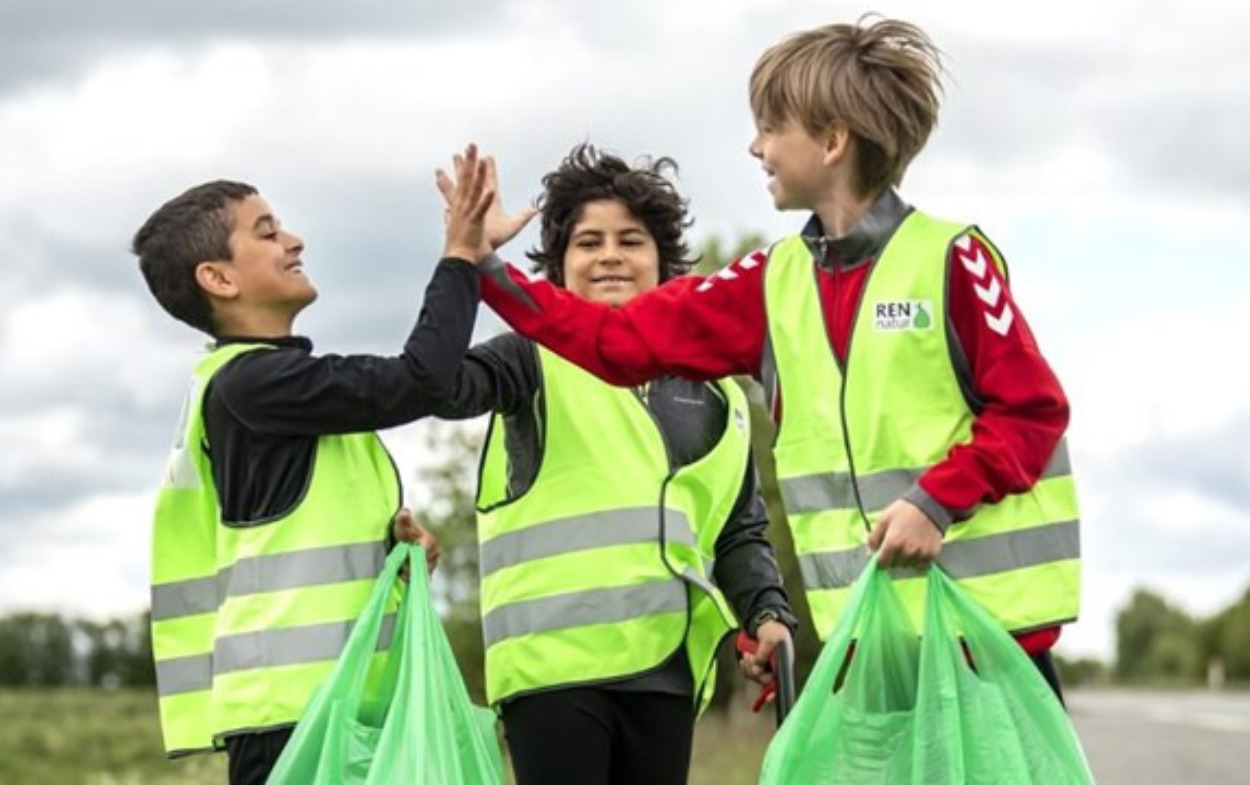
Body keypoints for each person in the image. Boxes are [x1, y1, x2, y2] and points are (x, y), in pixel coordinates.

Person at [473, 18, 1081, 701]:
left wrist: (936, 502)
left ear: (830, 140)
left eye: (770, 125)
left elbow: (1035, 411)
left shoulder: (952, 260)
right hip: (869, 652)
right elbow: (621, 342)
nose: (755, 145)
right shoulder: (771, 280)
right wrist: (489, 269)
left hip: (989, 648)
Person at [431, 143, 797, 785]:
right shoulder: (526, 360)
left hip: (666, 676)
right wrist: (467, 261)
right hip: (552, 672)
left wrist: (766, 613)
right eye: (588, 242)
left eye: (630, 241)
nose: (609, 256)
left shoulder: (718, 393)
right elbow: (435, 384)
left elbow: (739, 531)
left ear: (662, 261)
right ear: (558, 264)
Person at [136, 145, 497, 783]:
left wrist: (395, 552)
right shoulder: (257, 385)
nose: (294, 239)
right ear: (219, 279)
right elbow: (422, 380)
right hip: (298, 715)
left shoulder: (265, 392)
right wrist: (462, 255)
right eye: (267, 231)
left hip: (326, 708)